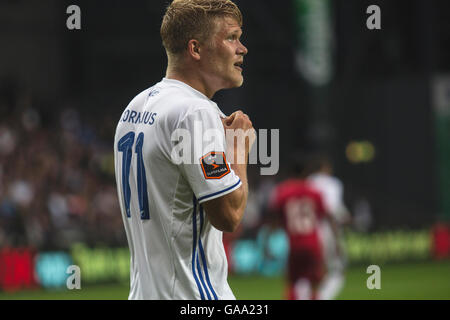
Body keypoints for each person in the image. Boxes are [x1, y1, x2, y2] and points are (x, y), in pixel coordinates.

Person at [113, 0, 254, 300]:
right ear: (196, 49)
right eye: (231, 37)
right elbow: (229, 215)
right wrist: (240, 149)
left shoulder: (134, 108)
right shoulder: (195, 113)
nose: (242, 48)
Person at [268, 156, 339, 300]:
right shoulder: (315, 192)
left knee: (292, 284)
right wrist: (336, 241)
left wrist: (270, 238)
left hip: (294, 244)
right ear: (306, 173)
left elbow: (275, 217)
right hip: (313, 244)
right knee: (315, 284)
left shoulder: (282, 192)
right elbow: (327, 216)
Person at [306, 154, 351, 300]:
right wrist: (337, 238)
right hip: (327, 229)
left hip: (309, 230)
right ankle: (322, 297)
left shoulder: (309, 182)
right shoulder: (333, 183)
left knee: (314, 270)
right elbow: (330, 211)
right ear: (326, 168)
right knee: (338, 270)